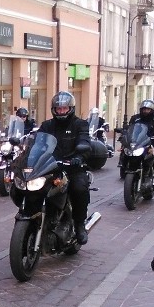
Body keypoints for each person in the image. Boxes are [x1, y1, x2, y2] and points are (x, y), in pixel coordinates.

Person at [36, 91, 93, 245]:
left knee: (79, 189)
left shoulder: (80, 124)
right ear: (53, 110)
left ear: (71, 108)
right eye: (58, 109)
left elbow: (85, 143)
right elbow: (37, 143)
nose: (61, 112)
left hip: (72, 167)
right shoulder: (47, 125)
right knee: (33, 187)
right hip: (50, 167)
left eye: (64, 109)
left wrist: (79, 158)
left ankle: (79, 224)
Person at [127, 99, 154, 188]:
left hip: (153, 142)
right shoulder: (135, 118)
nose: (145, 111)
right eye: (144, 109)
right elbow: (130, 128)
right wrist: (125, 133)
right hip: (139, 142)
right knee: (127, 153)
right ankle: (126, 170)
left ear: (152, 110)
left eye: (148, 109)